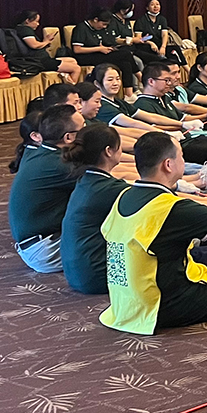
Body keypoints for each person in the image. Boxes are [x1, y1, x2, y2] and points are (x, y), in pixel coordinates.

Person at [99, 132, 207, 334]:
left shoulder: (124, 196)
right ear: (168, 164)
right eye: (181, 155)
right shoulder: (169, 208)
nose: (183, 160)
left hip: (129, 301)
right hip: (167, 304)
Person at [7, 103, 82, 273]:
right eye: (83, 128)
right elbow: (105, 180)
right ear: (69, 137)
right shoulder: (58, 165)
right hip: (45, 251)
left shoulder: (40, 152)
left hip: (37, 244)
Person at [58, 124, 131, 294]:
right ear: (108, 151)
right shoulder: (108, 188)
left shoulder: (86, 179)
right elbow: (156, 200)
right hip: (96, 277)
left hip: (76, 274)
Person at [72, 7, 140, 89]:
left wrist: (105, 48)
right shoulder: (81, 28)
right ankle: (140, 77)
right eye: (103, 24)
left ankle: (129, 93)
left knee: (125, 64)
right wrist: (99, 49)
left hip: (97, 53)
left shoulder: (97, 29)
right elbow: (77, 50)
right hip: (85, 57)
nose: (104, 27)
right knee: (126, 54)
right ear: (96, 20)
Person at [9, 10, 82, 80]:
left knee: (72, 60)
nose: (38, 24)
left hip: (41, 59)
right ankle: (69, 86)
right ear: (27, 20)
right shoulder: (25, 30)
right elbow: (34, 45)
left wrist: (45, 43)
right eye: (36, 21)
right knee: (76, 69)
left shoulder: (21, 29)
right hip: (39, 62)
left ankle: (66, 79)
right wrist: (46, 41)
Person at [133, 0, 183, 64]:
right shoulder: (141, 20)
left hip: (159, 45)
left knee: (175, 49)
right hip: (146, 45)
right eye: (152, 5)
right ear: (147, 8)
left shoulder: (162, 19)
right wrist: (151, 43)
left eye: (157, 4)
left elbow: (164, 35)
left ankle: (186, 69)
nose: (155, 6)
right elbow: (139, 38)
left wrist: (163, 47)